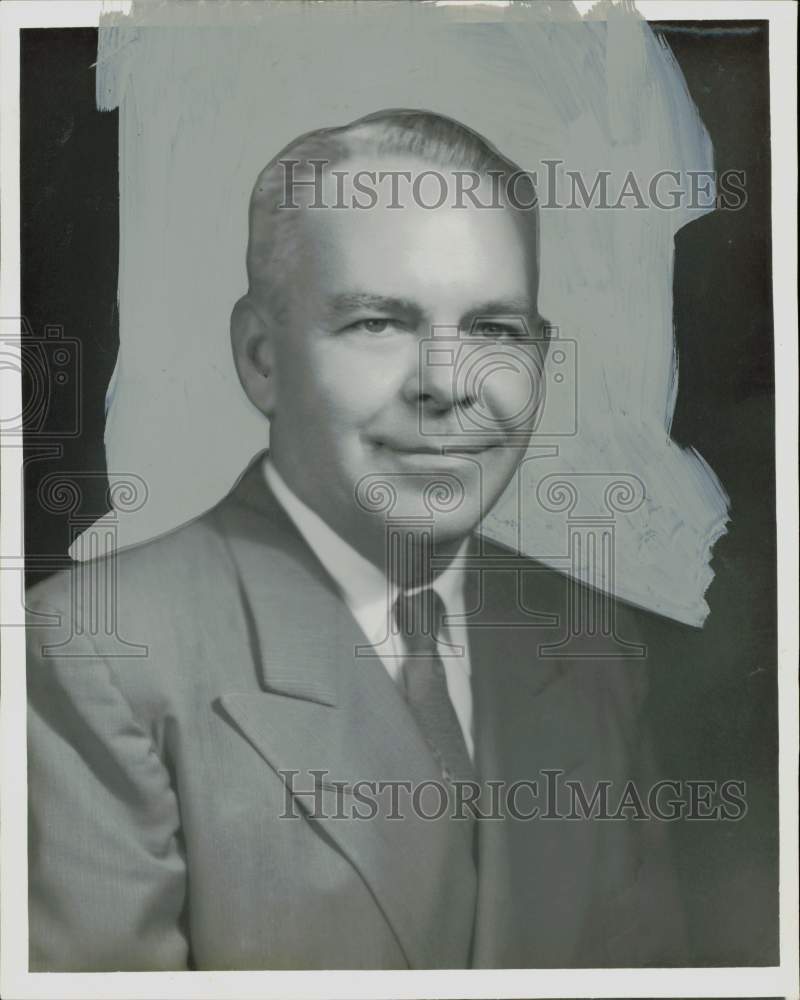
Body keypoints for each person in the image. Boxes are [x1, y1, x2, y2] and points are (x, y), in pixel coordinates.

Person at [26, 109, 686, 971]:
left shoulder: (593, 645)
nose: (449, 384)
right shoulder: (94, 653)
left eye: (494, 330)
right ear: (261, 357)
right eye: (378, 323)